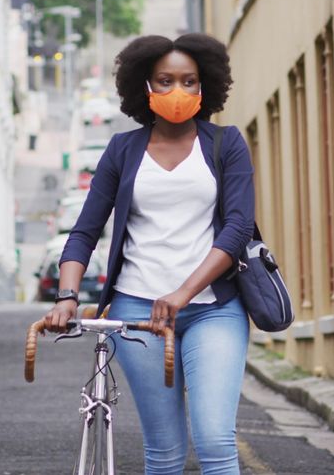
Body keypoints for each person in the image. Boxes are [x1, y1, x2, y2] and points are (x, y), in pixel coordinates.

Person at [44, 33, 255, 475]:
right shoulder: (123, 150)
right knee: (164, 451)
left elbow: (236, 230)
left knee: (216, 439)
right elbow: (84, 232)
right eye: (165, 80)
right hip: (137, 312)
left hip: (213, 309)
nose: (178, 91)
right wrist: (66, 295)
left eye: (189, 81)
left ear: (205, 87)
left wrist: (182, 293)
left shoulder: (225, 144)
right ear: (145, 86)